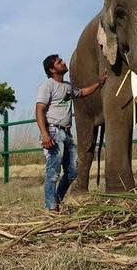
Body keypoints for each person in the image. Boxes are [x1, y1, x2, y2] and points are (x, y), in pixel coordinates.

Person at [36, 54, 106, 211]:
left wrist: (99, 84)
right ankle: (51, 208)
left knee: (73, 171)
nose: (63, 62)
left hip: (66, 133)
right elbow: (39, 110)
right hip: (53, 132)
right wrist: (45, 134)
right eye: (59, 62)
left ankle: (56, 201)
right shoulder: (47, 86)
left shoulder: (67, 86)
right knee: (53, 172)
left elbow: (82, 92)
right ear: (52, 69)